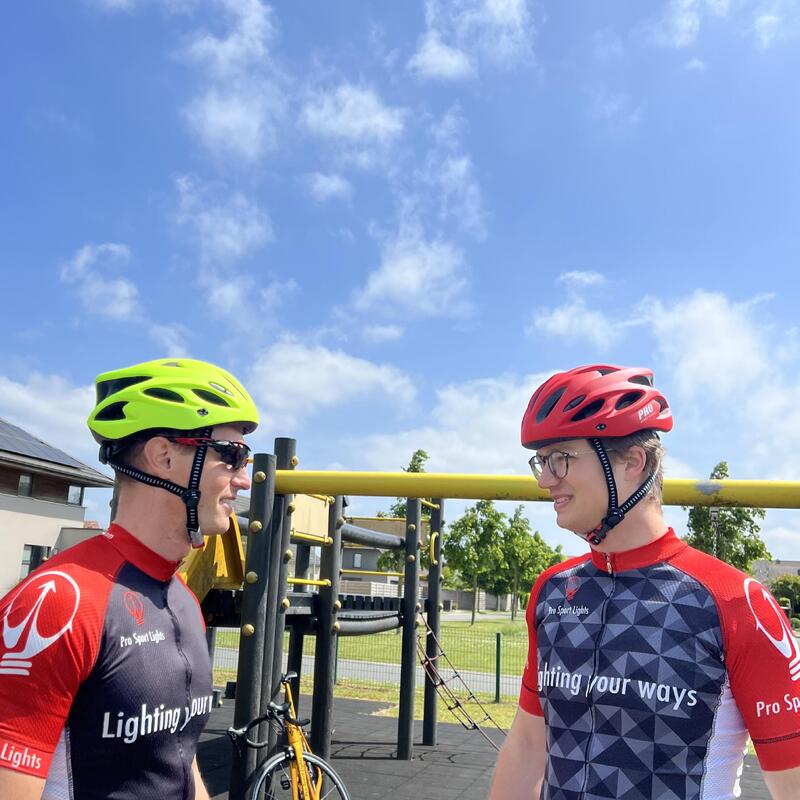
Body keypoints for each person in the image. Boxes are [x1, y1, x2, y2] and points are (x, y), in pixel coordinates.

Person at [487, 364, 800, 800]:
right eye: (541, 461)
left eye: (561, 458)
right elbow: (527, 745)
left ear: (635, 462)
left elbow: (792, 780)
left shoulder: (735, 601)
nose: (544, 480)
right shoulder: (552, 590)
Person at [0, 358, 259, 800]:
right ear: (162, 457)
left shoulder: (182, 600)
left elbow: (177, 757)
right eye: (232, 455)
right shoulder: (61, 600)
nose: (245, 480)